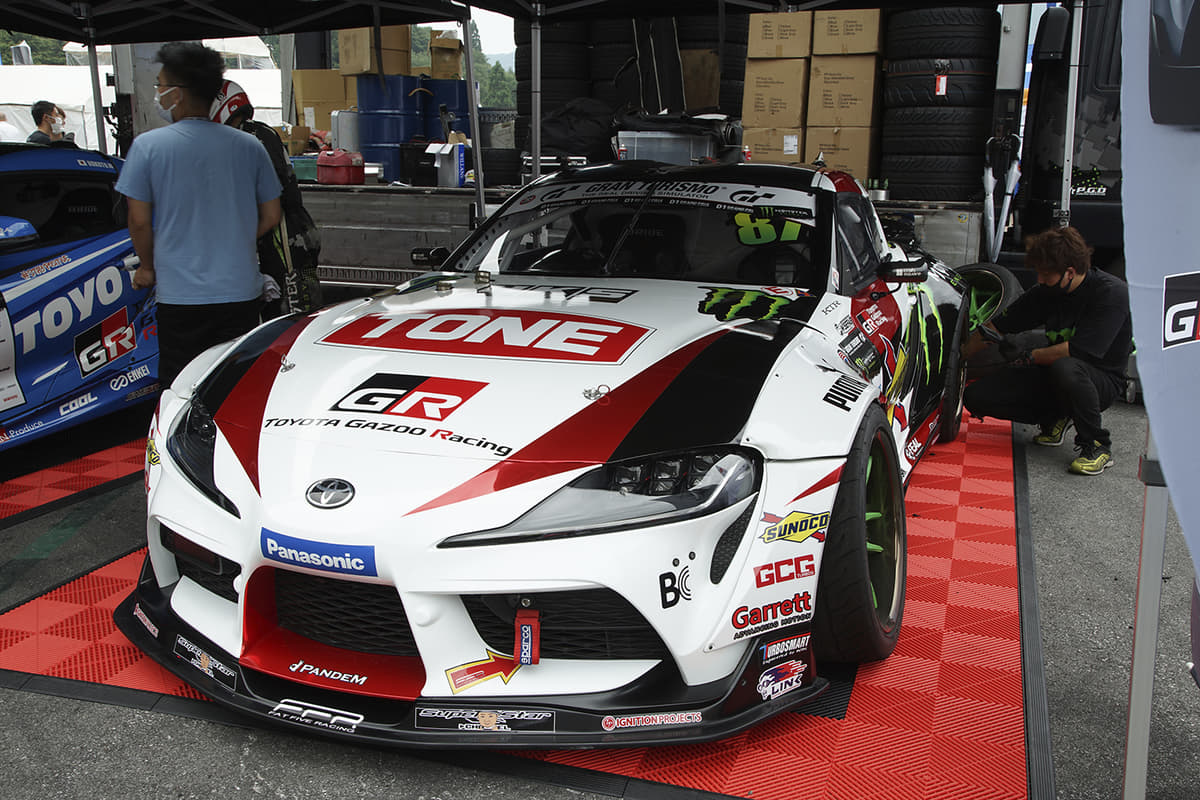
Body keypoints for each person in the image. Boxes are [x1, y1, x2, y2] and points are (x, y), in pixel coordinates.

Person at [114, 42, 281, 389]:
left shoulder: (148, 147)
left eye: (161, 85)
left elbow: (139, 220)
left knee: (182, 387)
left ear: (177, 93)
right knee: (235, 386)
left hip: (181, 296)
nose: (158, 93)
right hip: (240, 292)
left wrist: (147, 268)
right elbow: (271, 214)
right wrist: (234, 238)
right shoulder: (249, 146)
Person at [963, 226, 1133, 476]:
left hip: (1100, 380)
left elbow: (1077, 352)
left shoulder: (1111, 294)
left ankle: (1097, 445)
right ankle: (1055, 418)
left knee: (1066, 367)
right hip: (1055, 371)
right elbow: (994, 328)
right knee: (975, 396)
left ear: (1070, 272)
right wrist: (955, 358)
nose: (1040, 280)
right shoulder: (1045, 293)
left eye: (1045, 275)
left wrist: (1028, 357)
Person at [210, 80, 323, 316]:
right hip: (293, 232)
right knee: (294, 310)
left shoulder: (246, 138)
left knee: (291, 317)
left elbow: (264, 199)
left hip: (282, 237)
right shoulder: (260, 132)